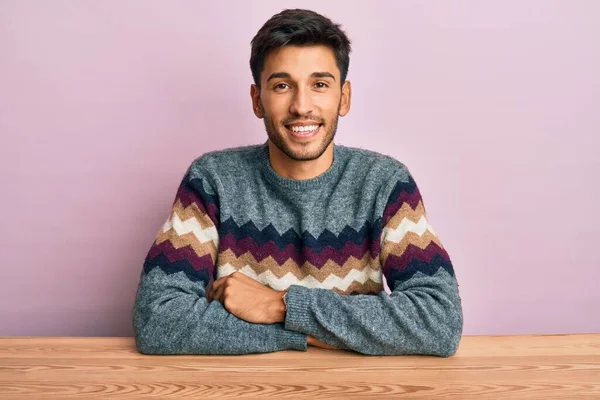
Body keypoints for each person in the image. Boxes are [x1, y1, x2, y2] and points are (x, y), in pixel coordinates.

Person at [133, 8, 463, 356]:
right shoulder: (212, 181)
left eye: (319, 84)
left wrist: (280, 306)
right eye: (282, 86)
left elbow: (439, 321)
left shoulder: (384, 183)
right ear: (258, 100)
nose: (301, 106)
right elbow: (158, 319)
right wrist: (320, 334)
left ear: (344, 97)